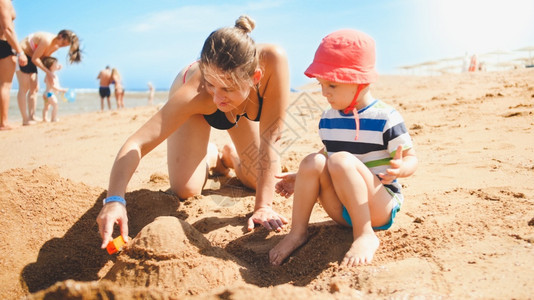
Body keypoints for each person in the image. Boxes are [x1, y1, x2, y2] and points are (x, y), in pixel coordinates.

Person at [96, 15, 290, 249]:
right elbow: (136, 144)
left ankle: (226, 156)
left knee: (262, 181)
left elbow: (271, 137)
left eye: (226, 88)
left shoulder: (273, 63)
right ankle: (208, 154)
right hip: (197, 106)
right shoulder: (197, 92)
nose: (217, 97)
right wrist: (115, 200)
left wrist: (262, 207)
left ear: (254, 78)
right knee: (186, 190)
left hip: (241, 106)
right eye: (211, 84)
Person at [269, 29, 418, 267]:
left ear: (360, 82)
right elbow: (326, 154)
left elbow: (411, 158)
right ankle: (297, 232)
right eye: (321, 84)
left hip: (378, 205)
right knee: (312, 160)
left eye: (332, 85)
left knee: (340, 160)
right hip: (342, 209)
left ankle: (365, 234)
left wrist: (401, 168)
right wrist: (300, 177)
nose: (324, 92)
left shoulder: (385, 117)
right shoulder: (328, 119)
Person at [16, 30, 81, 125]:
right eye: (63, 43)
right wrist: (48, 73)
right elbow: (35, 59)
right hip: (22, 54)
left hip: (32, 57)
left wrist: (54, 68)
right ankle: (25, 119)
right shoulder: (46, 40)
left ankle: (32, 116)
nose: (62, 46)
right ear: (60, 36)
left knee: (34, 88)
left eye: (65, 45)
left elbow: (43, 59)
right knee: (24, 86)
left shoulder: (55, 46)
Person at [0, 0, 27, 130]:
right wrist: (20, 51)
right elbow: (7, 29)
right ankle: (3, 122)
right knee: (5, 85)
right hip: (3, 45)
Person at [41, 56, 66, 122]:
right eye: (56, 64)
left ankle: (44, 118)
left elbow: (45, 81)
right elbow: (53, 86)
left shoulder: (48, 74)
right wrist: (62, 90)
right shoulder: (51, 75)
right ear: (51, 66)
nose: (57, 66)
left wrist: (58, 67)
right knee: (55, 105)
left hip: (45, 94)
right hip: (49, 94)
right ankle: (53, 118)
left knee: (46, 107)